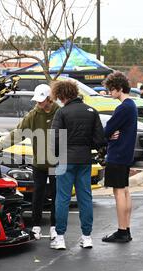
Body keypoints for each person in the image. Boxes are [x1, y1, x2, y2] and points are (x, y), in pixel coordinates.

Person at [0, 84, 60, 241]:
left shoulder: (60, 113)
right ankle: (36, 226)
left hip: (57, 162)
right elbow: (17, 133)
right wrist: (0, 146)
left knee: (58, 195)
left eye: (41, 100)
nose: (38, 103)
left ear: (49, 99)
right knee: (38, 194)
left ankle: (55, 227)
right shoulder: (33, 115)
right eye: (37, 100)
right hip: (39, 162)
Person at [50, 80, 106, 250]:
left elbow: (55, 139)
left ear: (62, 95)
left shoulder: (62, 112)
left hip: (65, 159)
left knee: (62, 198)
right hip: (84, 159)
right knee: (85, 197)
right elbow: (99, 139)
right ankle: (87, 236)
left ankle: (60, 238)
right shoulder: (91, 112)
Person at [102, 71, 138, 243]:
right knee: (124, 190)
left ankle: (122, 231)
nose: (110, 93)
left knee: (119, 193)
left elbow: (108, 129)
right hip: (126, 153)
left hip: (117, 154)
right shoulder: (132, 106)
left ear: (119, 88)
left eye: (111, 89)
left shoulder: (123, 107)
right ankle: (126, 228)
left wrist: (109, 135)